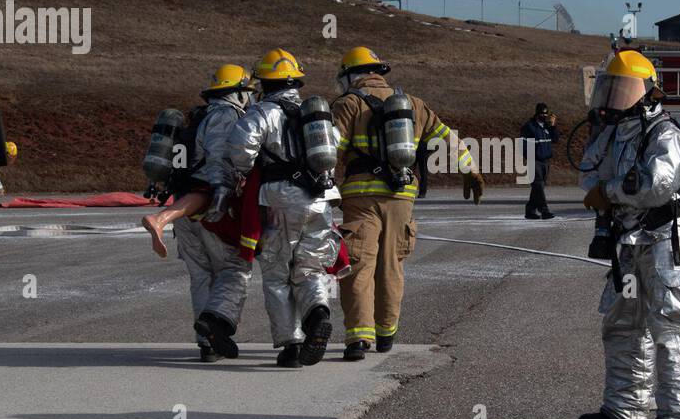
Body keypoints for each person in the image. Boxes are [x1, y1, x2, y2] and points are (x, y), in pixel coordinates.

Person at [577, 50, 680, 419]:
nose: (616, 98)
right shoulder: (614, 136)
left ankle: (678, 418)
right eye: (611, 89)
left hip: (667, 242)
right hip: (628, 246)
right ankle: (624, 411)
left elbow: (656, 185)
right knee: (623, 325)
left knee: (670, 325)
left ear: (648, 92)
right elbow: (587, 173)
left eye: (624, 89)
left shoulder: (665, 134)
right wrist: (604, 185)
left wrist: (610, 191)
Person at [330, 46, 484, 360]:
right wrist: (471, 170)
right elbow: (447, 137)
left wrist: (326, 191)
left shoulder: (347, 104)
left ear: (351, 75)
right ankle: (386, 334)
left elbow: (331, 152)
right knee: (391, 266)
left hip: (361, 197)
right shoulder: (414, 104)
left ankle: (358, 338)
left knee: (359, 265)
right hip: (402, 196)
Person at [220, 49, 339, 368]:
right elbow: (335, 146)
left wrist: (245, 172)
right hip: (320, 199)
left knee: (276, 273)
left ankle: (291, 345)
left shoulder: (261, 112)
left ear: (264, 82)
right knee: (310, 269)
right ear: (294, 81)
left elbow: (239, 147)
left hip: (278, 200)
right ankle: (317, 315)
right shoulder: (316, 114)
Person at [141, 65, 255, 362]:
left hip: (184, 206)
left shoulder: (196, 116)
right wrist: (220, 194)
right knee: (233, 269)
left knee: (201, 275)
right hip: (211, 207)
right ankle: (214, 325)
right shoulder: (226, 116)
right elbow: (219, 157)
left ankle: (206, 343)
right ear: (239, 92)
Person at [520, 103, 558, 219]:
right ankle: (544, 210)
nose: (544, 116)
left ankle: (530, 210)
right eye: (542, 113)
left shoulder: (547, 127)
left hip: (546, 161)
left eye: (546, 114)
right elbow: (523, 145)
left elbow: (555, 139)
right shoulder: (529, 127)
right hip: (534, 161)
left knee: (538, 188)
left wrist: (553, 127)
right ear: (536, 113)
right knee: (539, 185)